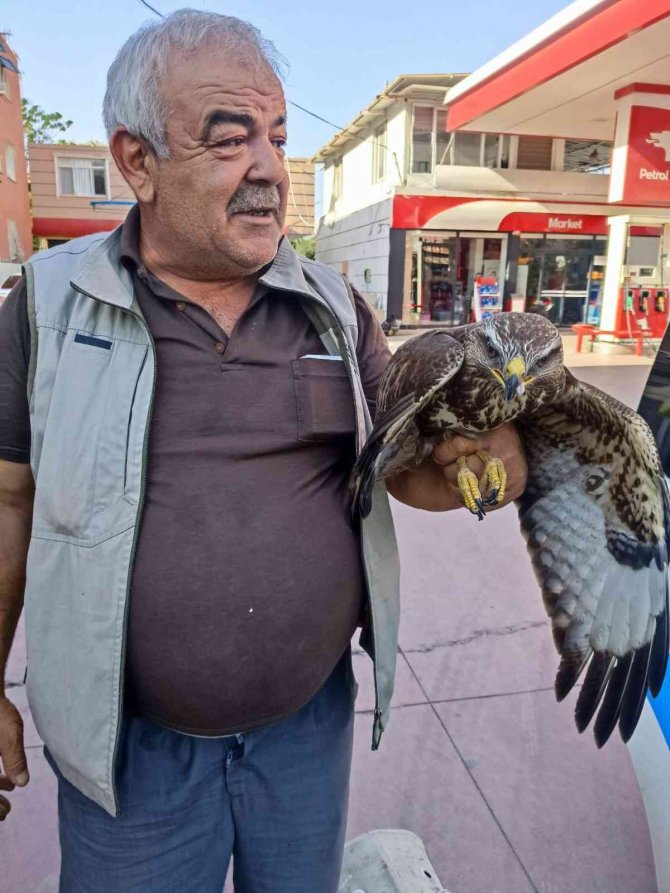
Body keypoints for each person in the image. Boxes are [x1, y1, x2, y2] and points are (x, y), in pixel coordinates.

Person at [0, 10, 527, 892]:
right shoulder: (47, 308)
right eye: (229, 139)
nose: (271, 170)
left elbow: (406, 468)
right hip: (126, 754)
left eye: (278, 137)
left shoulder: (336, 304)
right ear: (136, 163)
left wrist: (489, 466)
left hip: (305, 739)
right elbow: (8, 501)